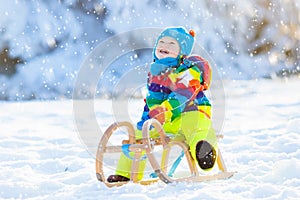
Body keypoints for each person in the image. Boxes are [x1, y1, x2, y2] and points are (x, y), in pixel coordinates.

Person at [107, 27, 218, 182]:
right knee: (138, 136)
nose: (165, 46)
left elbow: (182, 95)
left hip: (192, 110)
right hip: (165, 118)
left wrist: (165, 110)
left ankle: (203, 152)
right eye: (162, 42)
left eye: (172, 44)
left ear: (182, 52)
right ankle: (125, 173)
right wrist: (147, 120)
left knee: (194, 127)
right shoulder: (155, 73)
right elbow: (152, 101)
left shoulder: (188, 70)